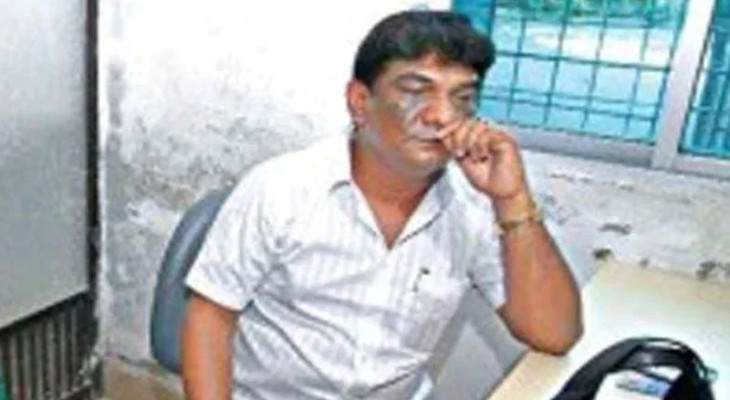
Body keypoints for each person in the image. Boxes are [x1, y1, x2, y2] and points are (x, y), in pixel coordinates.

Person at [181, 10, 583, 400]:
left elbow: (554, 334)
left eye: (462, 98)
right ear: (360, 101)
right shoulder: (281, 189)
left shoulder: (474, 208)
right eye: (416, 92)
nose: (442, 116)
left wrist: (512, 199)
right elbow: (210, 319)